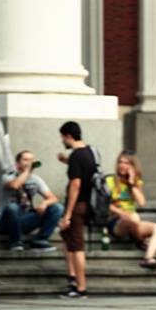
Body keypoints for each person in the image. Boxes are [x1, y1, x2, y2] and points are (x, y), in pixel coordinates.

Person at [106, 151, 156, 269]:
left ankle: (148, 258)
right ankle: (140, 241)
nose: (122, 165)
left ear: (133, 166)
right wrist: (123, 213)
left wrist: (132, 183)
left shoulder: (135, 182)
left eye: (127, 163)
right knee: (133, 217)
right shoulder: (109, 180)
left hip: (133, 222)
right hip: (116, 221)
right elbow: (106, 205)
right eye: (120, 162)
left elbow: (141, 202)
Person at [57, 121, 96, 299]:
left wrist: (67, 214)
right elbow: (87, 172)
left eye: (62, 137)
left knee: (77, 246)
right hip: (89, 203)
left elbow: (76, 184)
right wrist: (67, 161)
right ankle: (72, 278)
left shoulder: (75, 156)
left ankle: (81, 288)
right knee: (69, 240)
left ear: (68, 136)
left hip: (78, 205)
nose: (62, 141)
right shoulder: (91, 152)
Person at [0, 150, 63, 252]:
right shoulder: (7, 177)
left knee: (57, 208)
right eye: (26, 160)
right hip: (5, 222)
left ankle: (40, 240)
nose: (29, 162)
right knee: (13, 207)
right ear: (17, 164)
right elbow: (15, 185)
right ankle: (15, 242)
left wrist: (45, 203)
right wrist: (27, 171)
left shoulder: (36, 179)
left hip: (25, 220)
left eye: (31, 160)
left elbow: (53, 198)